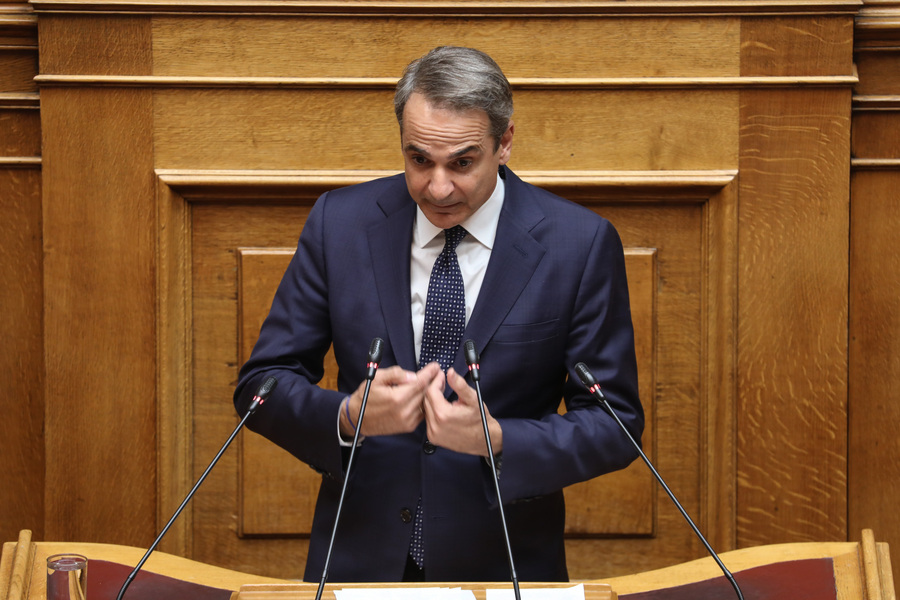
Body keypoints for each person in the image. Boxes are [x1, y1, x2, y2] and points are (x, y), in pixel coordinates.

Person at [234, 46, 643, 584]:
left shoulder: (579, 245)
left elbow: (615, 424)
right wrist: (348, 417)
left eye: (463, 163)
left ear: (505, 143)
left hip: (504, 567)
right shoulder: (340, 224)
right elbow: (262, 385)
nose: (438, 187)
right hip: (360, 565)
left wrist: (498, 439)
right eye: (420, 160)